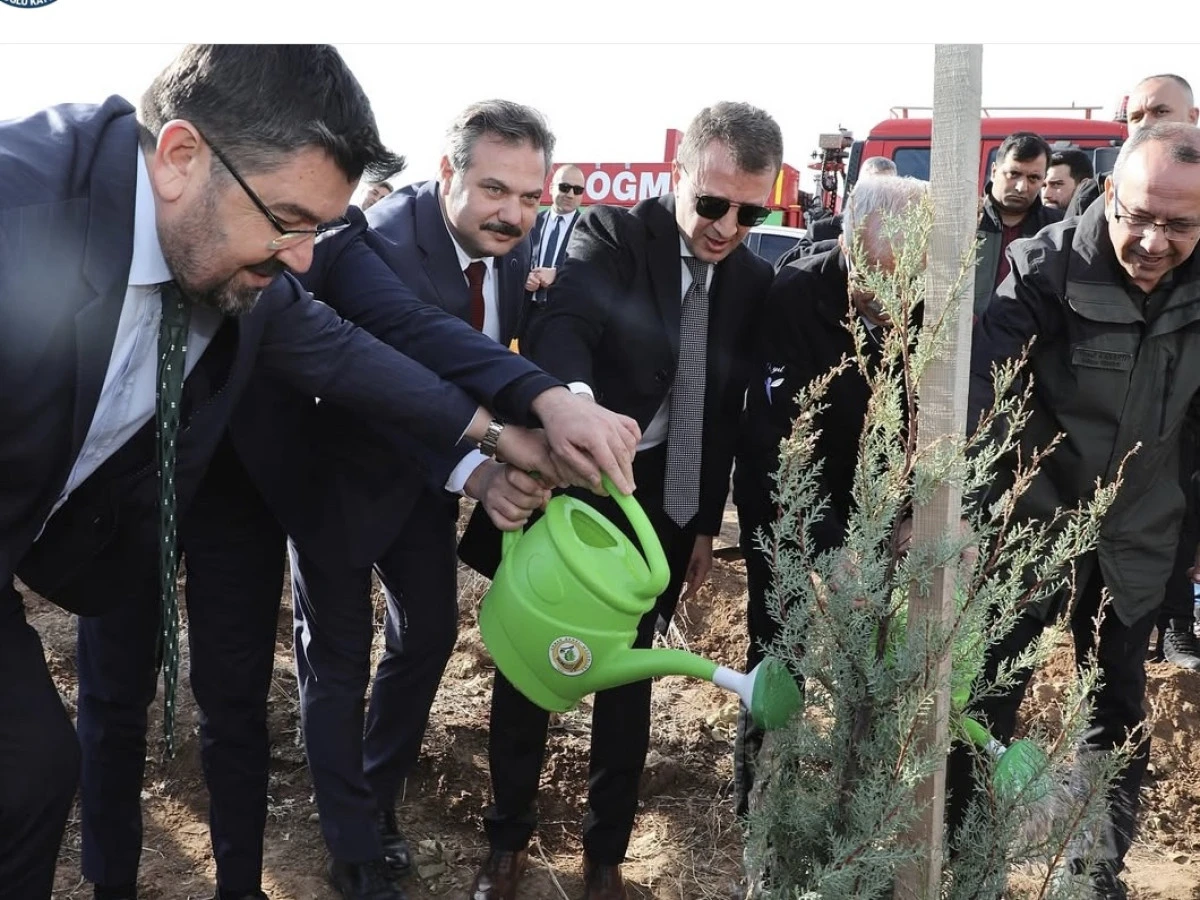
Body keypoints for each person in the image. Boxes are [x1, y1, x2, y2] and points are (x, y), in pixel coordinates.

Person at [0, 44, 638, 900]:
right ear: (183, 158)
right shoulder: (23, 208)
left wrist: (518, 418)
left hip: (208, 498)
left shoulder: (263, 256)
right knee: (64, 744)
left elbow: (356, 341)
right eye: (290, 220)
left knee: (67, 760)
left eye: (318, 229)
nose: (303, 259)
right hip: (80, 520)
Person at [465, 101, 783, 900]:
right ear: (679, 176)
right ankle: (506, 843)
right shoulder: (612, 234)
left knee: (628, 679)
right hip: (575, 486)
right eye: (711, 203)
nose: (727, 228)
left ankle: (605, 855)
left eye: (750, 213)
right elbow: (563, 325)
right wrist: (575, 408)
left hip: (663, 507)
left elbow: (725, 408)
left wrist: (704, 523)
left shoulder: (752, 280)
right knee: (529, 667)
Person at [284, 98, 561, 899]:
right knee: (337, 663)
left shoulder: (510, 248)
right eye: (495, 190)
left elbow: (486, 362)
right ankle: (352, 850)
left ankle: (373, 799)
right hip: (339, 478)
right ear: (447, 173)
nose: (514, 215)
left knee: (430, 635)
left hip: (423, 488)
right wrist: (480, 471)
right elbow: (385, 388)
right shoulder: (382, 246)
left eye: (531, 197)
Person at [953, 122, 1200, 900]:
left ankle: (1093, 875)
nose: (1154, 243)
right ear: (1110, 194)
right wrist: (962, 507)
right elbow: (981, 387)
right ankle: (970, 864)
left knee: (1115, 711)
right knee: (988, 696)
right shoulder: (1046, 267)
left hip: (1139, 532)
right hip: (1032, 523)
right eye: (1139, 217)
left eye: (1179, 225)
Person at [732, 175, 929, 813]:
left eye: (906, 278)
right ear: (846, 243)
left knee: (874, 656)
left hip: (881, 500)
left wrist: (913, 509)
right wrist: (824, 547)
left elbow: (936, 416)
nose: (888, 298)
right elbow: (777, 440)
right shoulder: (794, 296)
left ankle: (855, 795)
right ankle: (763, 797)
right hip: (787, 499)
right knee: (779, 642)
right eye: (874, 277)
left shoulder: (934, 301)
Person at [973, 131, 1062, 318]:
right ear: (994, 171)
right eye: (1014, 174)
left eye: (1033, 178)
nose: (1021, 187)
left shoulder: (1056, 230)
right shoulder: (966, 222)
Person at [525, 163, 585, 303]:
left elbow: (589, 270)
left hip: (565, 308)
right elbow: (514, 262)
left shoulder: (587, 230)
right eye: (564, 187)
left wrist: (557, 273)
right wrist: (524, 278)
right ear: (551, 188)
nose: (570, 195)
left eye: (577, 190)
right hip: (527, 308)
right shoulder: (531, 223)